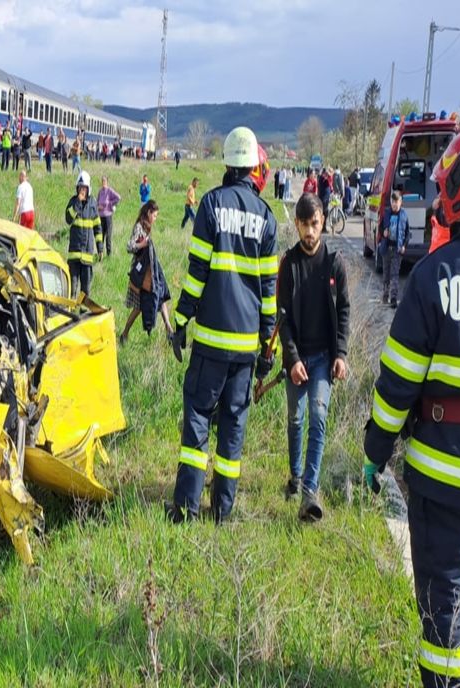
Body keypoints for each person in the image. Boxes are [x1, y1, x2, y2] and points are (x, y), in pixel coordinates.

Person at [362, 125, 460, 688]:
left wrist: (375, 449)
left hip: (443, 488)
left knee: (446, 626)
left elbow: (397, 387)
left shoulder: (434, 277)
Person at [166, 127, 277, 523]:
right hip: (246, 348)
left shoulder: (211, 205)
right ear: (254, 165)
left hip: (210, 342)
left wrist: (179, 320)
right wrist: (268, 345)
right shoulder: (267, 218)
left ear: (228, 162)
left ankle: (186, 508)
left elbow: (196, 275)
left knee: (198, 416)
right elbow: (269, 290)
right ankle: (223, 511)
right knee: (233, 425)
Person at [275, 192, 350, 521]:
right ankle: (294, 476)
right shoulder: (288, 265)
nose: (309, 231)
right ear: (297, 225)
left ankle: (310, 491)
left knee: (318, 416)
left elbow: (344, 310)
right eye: (304, 224)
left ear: (323, 223)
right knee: (296, 419)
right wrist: (292, 360)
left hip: (323, 358)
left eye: (315, 224)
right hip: (297, 357)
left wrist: (342, 354)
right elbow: (282, 317)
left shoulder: (335, 264)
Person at [119, 200, 173, 345]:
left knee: (159, 294)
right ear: (148, 212)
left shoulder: (147, 227)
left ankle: (169, 329)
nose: (155, 219)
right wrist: (141, 244)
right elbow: (129, 246)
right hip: (140, 274)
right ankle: (124, 334)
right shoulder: (139, 227)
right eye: (154, 216)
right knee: (138, 308)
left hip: (149, 272)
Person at [65, 171, 102, 299]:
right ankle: (69, 315)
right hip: (74, 255)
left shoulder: (93, 204)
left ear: (88, 189)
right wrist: (77, 204)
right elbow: (68, 219)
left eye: (84, 188)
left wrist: (100, 248)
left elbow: (98, 227)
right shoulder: (73, 201)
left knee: (85, 291)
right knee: (72, 288)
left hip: (87, 255)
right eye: (80, 187)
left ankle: (83, 315)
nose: (82, 190)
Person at [380, 189, 410, 308]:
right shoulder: (387, 213)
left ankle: (393, 298)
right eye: (393, 202)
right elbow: (381, 228)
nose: (394, 204)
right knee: (386, 273)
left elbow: (407, 233)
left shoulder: (403, 215)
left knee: (395, 274)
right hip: (387, 248)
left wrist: (404, 246)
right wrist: (384, 233)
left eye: (396, 202)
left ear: (400, 202)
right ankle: (385, 295)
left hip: (397, 250)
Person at [97, 175, 122, 257]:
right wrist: (98, 207)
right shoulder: (100, 192)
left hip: (108, 216)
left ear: (107, 182)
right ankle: (100, 253)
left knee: (108, 236)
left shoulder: (109, 191)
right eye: (102, 181)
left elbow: (118, 197)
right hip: (101, 217)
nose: (103, 183)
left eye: (105, 181)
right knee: (101, 236)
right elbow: (97, 203)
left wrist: (110, 204)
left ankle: (109, 255)